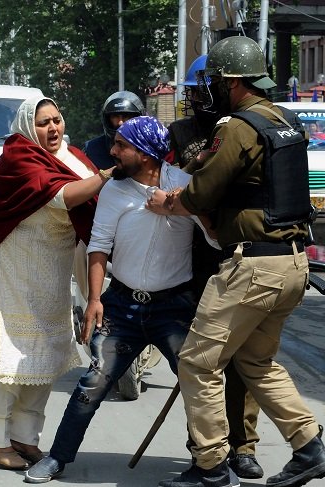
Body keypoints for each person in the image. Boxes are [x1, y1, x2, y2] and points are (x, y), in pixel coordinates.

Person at [149, 36, 325, 487]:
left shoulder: (238, 126)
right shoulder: (283, 120)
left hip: (252, 267)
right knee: (256, 362)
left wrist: (167, 200)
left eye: (214, 81)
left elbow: (201, 192)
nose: (208, 89)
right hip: (291, 264)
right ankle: (308, 447)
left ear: (232, 82)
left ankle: (210, 466)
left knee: (197, 361)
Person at [24, 116, 220, 484]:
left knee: (197, 387)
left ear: (145, 155)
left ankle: (207, 463)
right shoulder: (114, 190)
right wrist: (94, 299)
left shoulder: (184, 187)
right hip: (122, 306)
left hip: (174, 308)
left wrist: (182, 207)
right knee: (93, 383)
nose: (112, 151)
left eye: (120, 145)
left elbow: (214, 240)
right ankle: (57, 457)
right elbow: (98, 245)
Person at [0, 95, 111, 470]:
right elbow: (65, 196)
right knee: (9, 354)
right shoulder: (19, 156)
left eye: (56, 120)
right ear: (30, 126)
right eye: (43, 122)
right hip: (14, 267)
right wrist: (108, 176)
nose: (52, 128)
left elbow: (97, 203)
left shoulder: (73, 155)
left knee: (44, 353)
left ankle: (25, 437)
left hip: (51, 270)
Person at [168, 54, 265, 481]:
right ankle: (204, 449)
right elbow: (167, 182)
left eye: (200, 87)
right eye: (190, 90)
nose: (194, 98)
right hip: (195, 261)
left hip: (243, 255)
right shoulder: (181, 132)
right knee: (201, 362)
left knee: (244, 359)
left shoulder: (250, 126)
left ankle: (243, 446)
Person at [83, 90, 144, 169]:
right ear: (107, 119)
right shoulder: (92, 149)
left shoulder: (150, 147)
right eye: (115, 116)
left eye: (126, 116)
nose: (120, 122)